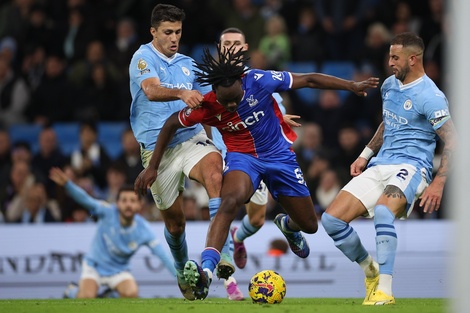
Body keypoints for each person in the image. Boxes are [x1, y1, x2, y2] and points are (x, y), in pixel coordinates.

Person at [134, 45, 379, 300]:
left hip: (280, 157)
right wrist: (153, 166)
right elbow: (173, 122)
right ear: (214, 91)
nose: (230, 105)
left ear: (242, 83)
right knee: (228, 202)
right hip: (244, 159)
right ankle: (206, 270)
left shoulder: (259, 80)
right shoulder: (207, 105)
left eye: (235, 99)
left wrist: (351, 85)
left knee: (309, 225)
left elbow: (308, 79)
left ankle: (288, 225)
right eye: (224, 100)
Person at [321, 32, 457, 305]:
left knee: (383, 212)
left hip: (412, 166)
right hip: (380, 163)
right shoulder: (389, 86)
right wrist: (365, 155)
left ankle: (385, 289)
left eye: (395, 57)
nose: (390, 62)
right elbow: (387, 123)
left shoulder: (431, 96)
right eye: (390, 56)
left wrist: (438, 183)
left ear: (413, 59)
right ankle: (369, 269)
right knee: (331, 221)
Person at [128, 3, 232, 301]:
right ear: (153, 32)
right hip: (157, 150)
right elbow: (151, 90)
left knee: (215, 171)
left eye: (178, 32)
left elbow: (210, 105)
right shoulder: (142, 58)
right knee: (175, 224)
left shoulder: (188, 63)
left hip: (191, 137)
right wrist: (181, 92)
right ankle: (180, 268)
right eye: (168, 32)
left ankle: (221, 255)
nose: (174, 38)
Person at [216, 27, 301, 276]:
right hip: (227, 153)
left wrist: (281, 117)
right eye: (226, 44)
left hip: (257, 152)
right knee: (224, 205)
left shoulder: (258, 78)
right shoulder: (207, 80)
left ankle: (237, 237)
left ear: (244, 49)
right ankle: (219, 263)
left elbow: (273, 105)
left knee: (255, 220)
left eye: (236, 43)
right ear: (220, 49)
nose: (231, 47)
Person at [49, 167, 176, 298]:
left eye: (132, 201)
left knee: (131, 294)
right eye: (124, 200)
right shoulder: (107, 212)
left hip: (119, 271)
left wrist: (181, 280)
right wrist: (68, 185)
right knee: (86, 297)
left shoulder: (143, 229)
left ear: (139, 206)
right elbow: (86, 200)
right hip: (94, 267)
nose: (128, 205)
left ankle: (110, 295)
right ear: (117, 203)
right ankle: (71, 291)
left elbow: (164, 256)